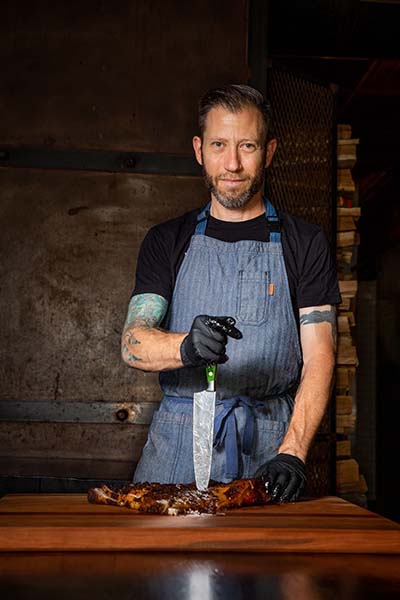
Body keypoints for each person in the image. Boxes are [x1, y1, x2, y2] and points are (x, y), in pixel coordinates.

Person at [121, 84, 340, 502]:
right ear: (199, 149)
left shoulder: (304, 242)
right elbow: (133, 342)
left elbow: (320, 355)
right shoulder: (167, 240)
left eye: (248, 146)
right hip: (178, 444)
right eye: (220, 145)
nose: (233, 164)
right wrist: (186, 346)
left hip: (270, 445)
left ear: (269, 151)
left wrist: (292, 452)